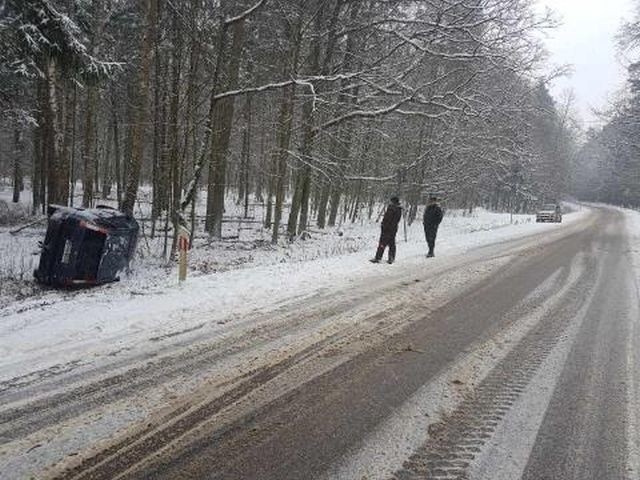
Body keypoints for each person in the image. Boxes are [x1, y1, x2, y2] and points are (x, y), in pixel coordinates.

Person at [370, 196, 403, 264]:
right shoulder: (398, 209)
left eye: (391, 201)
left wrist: (384, 226)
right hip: (392, 229)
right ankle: (390, 257)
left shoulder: (392, 209)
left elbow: (388, 219)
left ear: (393, 202)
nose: (390, 202)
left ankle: (378, 257)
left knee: (383, 243)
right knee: (391, 243)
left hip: (388, 229)